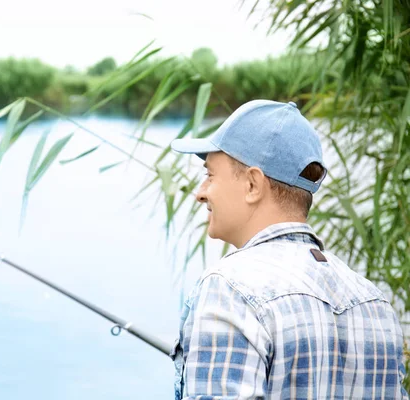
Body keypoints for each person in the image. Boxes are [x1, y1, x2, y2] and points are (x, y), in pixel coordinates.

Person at [169, 100, 408, 399]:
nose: (200, 193)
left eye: (210, 174)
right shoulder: (374, 302)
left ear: (253, 185)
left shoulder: (229, 290)